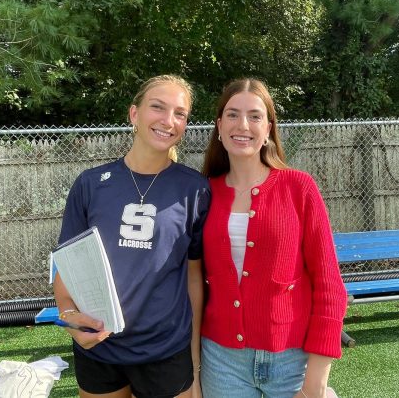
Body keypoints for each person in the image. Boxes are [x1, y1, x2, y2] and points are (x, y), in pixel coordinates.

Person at [53, 75, 209, 398]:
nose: (168, 120)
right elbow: (67, 268)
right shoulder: (91, 185)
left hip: (165, 352)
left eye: (179, 113)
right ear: (134, 115)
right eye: (158, 107)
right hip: (99, 351)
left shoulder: (194, 189)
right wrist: (70, 319)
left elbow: (194, 277)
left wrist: (193, 359)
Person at [200, 78, 347, 398]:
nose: (243, 125)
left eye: (255, 116)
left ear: (268, 128)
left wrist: (316, 384)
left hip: (292, 361)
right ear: (219, 126)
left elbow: (329, 285)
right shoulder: (202, 194)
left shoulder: (299, 188)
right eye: (232, 114)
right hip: (221, 363)